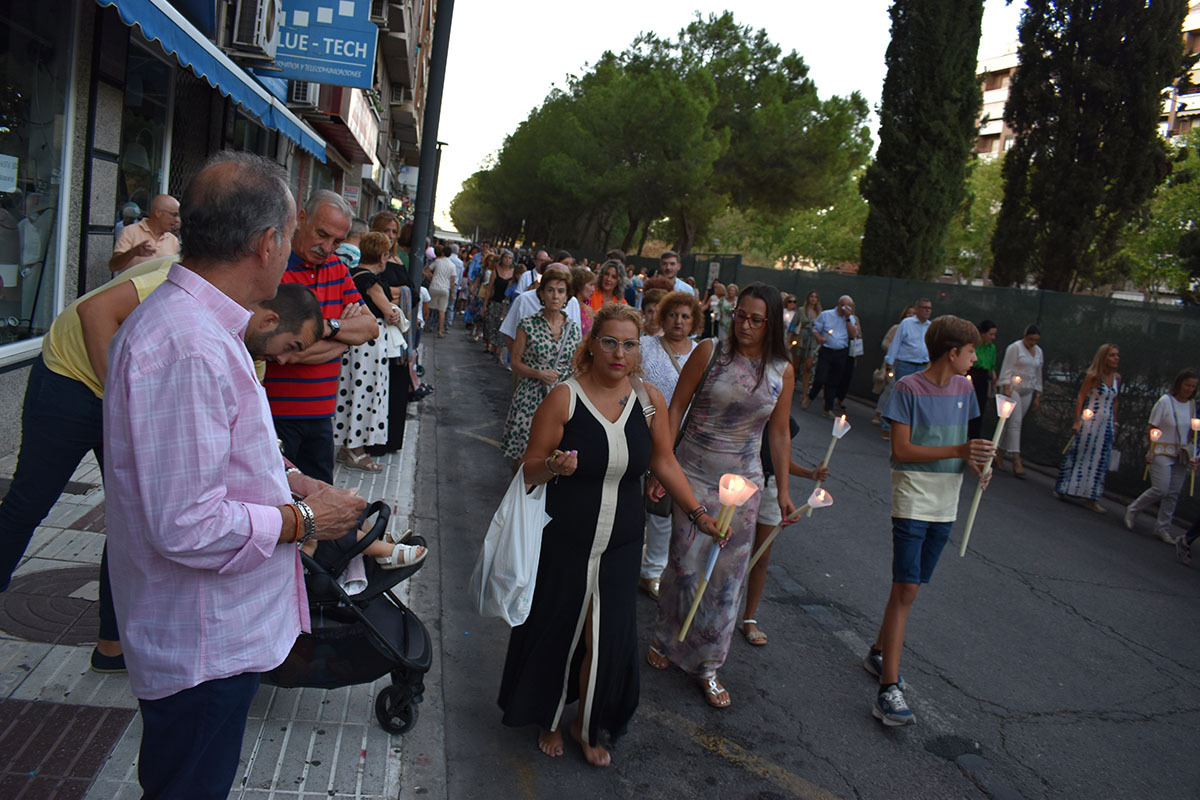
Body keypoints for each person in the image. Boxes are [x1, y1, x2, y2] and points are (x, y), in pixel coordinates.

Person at [102, 151, 367, 798]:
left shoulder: (205, 330)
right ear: (268, 241)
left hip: (212, 637)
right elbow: (187, 525)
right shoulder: (188, 345)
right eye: (294, 233)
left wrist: (295, 482)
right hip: (200, 645)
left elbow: (216, 454)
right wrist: (306, 519)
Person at [0, 251, 323, 670]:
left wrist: (291, 475)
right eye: (291, 347)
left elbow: (247, 436)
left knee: (135, 514)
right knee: (30, 502)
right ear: (269, 321)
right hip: (73, 378)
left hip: (133, 389)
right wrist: (124, 402)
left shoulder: (250, 351)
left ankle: (112, 645)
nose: (285, 361)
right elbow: (94, 311)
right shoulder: (187, 290)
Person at [498, 304, 719, 767]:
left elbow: (663, 462)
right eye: (610, 342)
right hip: (565, 540)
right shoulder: (564, 397)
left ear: (640, 349)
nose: (620, 353)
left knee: (609, 638)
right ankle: (551, 717)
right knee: (559, 628)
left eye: (630, 343)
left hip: (621, 542)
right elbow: (528, 467)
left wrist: (698, 514)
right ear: (592, 344)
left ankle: (589, 724)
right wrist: (553, 466)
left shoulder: (649, 400)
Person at [647, 282, 797, 709]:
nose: (745, 325)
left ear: (771, 325)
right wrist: (663, 463)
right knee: (684, 565)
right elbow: (676, 408)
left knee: (726, 580)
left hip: (744, 484)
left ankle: (708, 664)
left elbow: (780, 432)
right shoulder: (710, 351)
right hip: (692, 472)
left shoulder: (780, 370)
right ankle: (665, 637)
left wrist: (783, 490)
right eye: (740, 315)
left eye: (755, 319)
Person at [865, 315, 994, 726]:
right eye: (971, 351)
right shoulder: (907, 388)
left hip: (947, 502)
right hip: (912, 499)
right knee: (906, 589)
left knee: (909, 588)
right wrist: (960, 451)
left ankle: (878, 652)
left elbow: (962, 448)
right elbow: (902, 449)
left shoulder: (966, 388)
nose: (976, 358)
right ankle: (888, 689)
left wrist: (978, 464)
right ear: (952, 352)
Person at [265, 191, 379, 483]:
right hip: (275, 416)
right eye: (322, 234)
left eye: (337, 241)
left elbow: (369, 328)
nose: (327, 247)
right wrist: (344, 340)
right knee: (281, 503)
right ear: (301, 218)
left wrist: (325, 327)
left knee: (320, 504)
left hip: (321, 417)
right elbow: (283, 351)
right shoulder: (274, 268)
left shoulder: (337, 270)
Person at [637, 290, 704, 599]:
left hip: (680, 439)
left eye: (685, 316)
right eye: (673, 315)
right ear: (662, 318)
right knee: (631, 502)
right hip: (639, 431)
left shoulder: (702, 353)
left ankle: (651, 571)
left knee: (662, 508)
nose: (679, 321)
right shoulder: (647, 346)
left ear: (694, 321)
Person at [741, 416, 829, 646]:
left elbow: (780, 457)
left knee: (762, 555)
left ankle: (749, 617)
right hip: (742, 482)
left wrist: (810, 474)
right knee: (728, 548)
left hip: (771, 488)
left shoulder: (782, 413)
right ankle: (717, 607)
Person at [334, 232, 401, 473]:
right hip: (370, 345)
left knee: (351, 392)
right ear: (382, 256)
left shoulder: (352, 274)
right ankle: (358, 450)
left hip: (355, 343)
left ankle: (346, 445)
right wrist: (395, 309)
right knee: (366, 394)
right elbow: (389, 312)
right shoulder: (371, 281)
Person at [500, 266, 581, 463]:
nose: (555, 296)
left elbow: (577, 366)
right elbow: (516, 363)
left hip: (561, 398)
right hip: (530, 398)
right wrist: (538, 373)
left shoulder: (574, 329)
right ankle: (520, 492)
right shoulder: (527, 325)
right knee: (525, 456)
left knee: (555, 455)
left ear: (567, 297)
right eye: (550, 290)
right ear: (542, 293)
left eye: (561, 291)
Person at [1126, 369, 1198, 542]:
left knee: (1173, 492)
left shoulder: (1192, 406)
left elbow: (1191, 433)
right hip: (1162, 450)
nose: (1189, 389)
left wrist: (1193, 454)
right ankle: (1133, 509)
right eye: (1187, 385)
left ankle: (1162, 527)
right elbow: (1153, 426)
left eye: (1193, 386)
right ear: (1179, 383)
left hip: (1181, 453)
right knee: (1161, 488)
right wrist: (1151, 448)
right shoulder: (1165, 401)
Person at [1053, 344, 1121, 513]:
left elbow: (1115, 400)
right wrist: (1077, 421)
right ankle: (1064, 487)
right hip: (1092, 420)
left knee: (1101, 459)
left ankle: (1092, 497)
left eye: (1117, 355)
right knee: (1081, 453)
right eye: (1112, 355)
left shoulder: (1117, 378)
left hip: (1106, 424)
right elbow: (1081, 396)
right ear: (1103, 357)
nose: (1116, 358)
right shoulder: (1093, 376)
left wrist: (1114, 422)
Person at [995, 325, 1044, 478]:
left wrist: (1038, 393)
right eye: (1030, 339)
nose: (1032, 343)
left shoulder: (1039, 351)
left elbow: (1038, 372)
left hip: (1028, 389)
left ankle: (999, 453)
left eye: (1035, 340)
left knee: (1010, 424)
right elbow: (1007, 368)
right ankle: (1016, 459)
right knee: (1016, 423)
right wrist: (1006, 387)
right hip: (1013, 388)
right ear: (1024, 336)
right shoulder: (1015, 348)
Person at [880, 298, 933, 434]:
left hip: (922, 365)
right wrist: (889, 365)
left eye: (929, 308)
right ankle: (887, 425)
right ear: (917, 309)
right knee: (899, 395)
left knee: (915, 398)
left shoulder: (930, 326)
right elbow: (895, 344)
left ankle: (905, 428)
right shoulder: (907, 323)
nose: (927, 310)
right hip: (905, 364)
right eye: (924, 307)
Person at [806, 295, 859, 418]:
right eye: (843, 305)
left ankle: (828, 408)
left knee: (834, 380)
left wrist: (847, 319)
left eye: (848, 306)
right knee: (821, 377)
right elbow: (815, 329)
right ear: (838, 304)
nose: (845, 308)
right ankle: (811, 396)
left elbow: (853, 334)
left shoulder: (850, 319)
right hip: (826, 350)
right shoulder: (826, 315)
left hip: (841, 351)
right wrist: (820, 338)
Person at [872, 306, 917, 431]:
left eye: (914, 314)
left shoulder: (918, 331)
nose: (911, 315)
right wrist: (895, 350)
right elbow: (885, 343)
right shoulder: (897, 328)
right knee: (890, 389)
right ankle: (879, 413)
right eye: (909, 313)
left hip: (909, 364)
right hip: (895, 363)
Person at [109, 194, 180, 273]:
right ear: (158, 213)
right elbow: (113, 266)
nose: (177, 220)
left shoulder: (173, 240)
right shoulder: (130, 232)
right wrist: (132, 252)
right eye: (174, 215)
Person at [967, 320, 999, 440]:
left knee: (979, 409)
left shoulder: (992, 348)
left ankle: (974, 438)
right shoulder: (973, 345)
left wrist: (993, 376)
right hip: (970, 374)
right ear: (982, 333)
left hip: (983, 378)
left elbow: (991, 366)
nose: (993, 337)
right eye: (990, 334)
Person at [482, 249, 516, 358]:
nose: (507, 260)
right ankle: (492, 346)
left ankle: (499, 351)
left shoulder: (514, 273)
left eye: (510, 258)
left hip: (507, 304)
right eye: (506, 257)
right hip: (495, 301)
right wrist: (485, 304)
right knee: (491, 325)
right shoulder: (495, 271)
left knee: (503, 327)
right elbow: (489, 288)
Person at [790, 291, 821, 395]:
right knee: (796, 364)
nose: (813, 299)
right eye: (811, 296)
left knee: (808, 365)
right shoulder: (801, 310)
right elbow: (794, 324)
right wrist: (789, 338)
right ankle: (792, 383)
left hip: (813, 340)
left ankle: (805, 389)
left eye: (815, 297)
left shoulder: (819, 313)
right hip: (801, 338)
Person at [427, 245, 456, 337]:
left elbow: (427, 270)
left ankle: (423, 324)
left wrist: (432, 276)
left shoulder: (437, 261)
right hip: (445, 289)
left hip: (434, 286)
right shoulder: (452, 266)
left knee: (428, 307)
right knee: (442, 311)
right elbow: (452, 281)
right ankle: (440, 331)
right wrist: (452, 293)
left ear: (443, 253)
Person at [571, 265, 597, 337]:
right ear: (580, 284)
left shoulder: (589, 311)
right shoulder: (566, 307)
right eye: (591, 285)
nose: (593, 289)